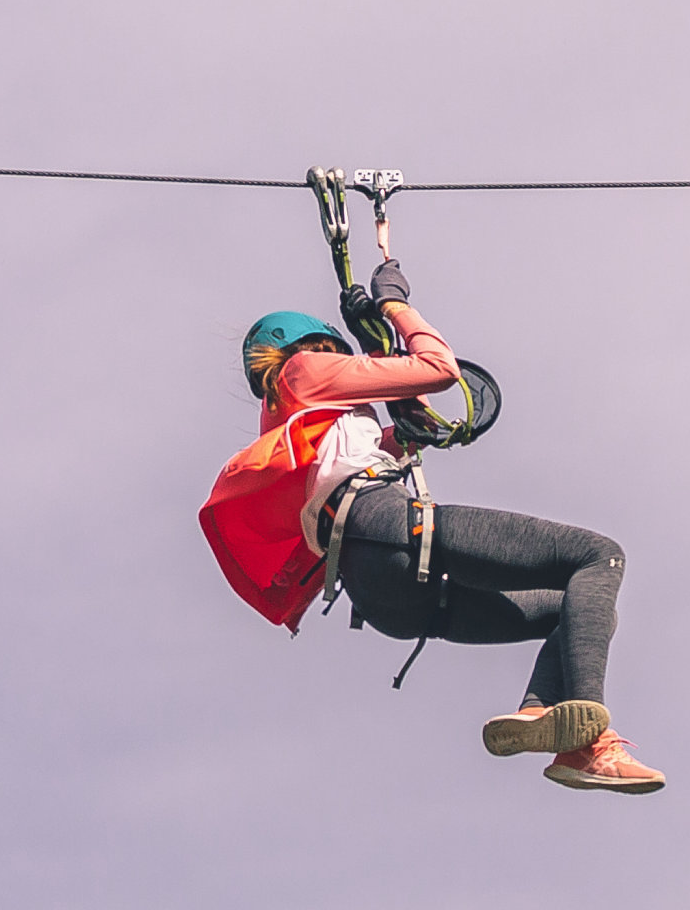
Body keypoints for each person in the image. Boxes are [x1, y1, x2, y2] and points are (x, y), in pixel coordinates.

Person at [199, 256, 665, 792]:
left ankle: (564, 731)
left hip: (379, 591)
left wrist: (400, 408)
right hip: (384, 525)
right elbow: (438, 370)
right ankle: (591, 716)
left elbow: (399, 425)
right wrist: (395, 306)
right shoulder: (303, 370)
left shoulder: (306, 415)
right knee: (597, 556)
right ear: (318, 347)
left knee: (570, 612)